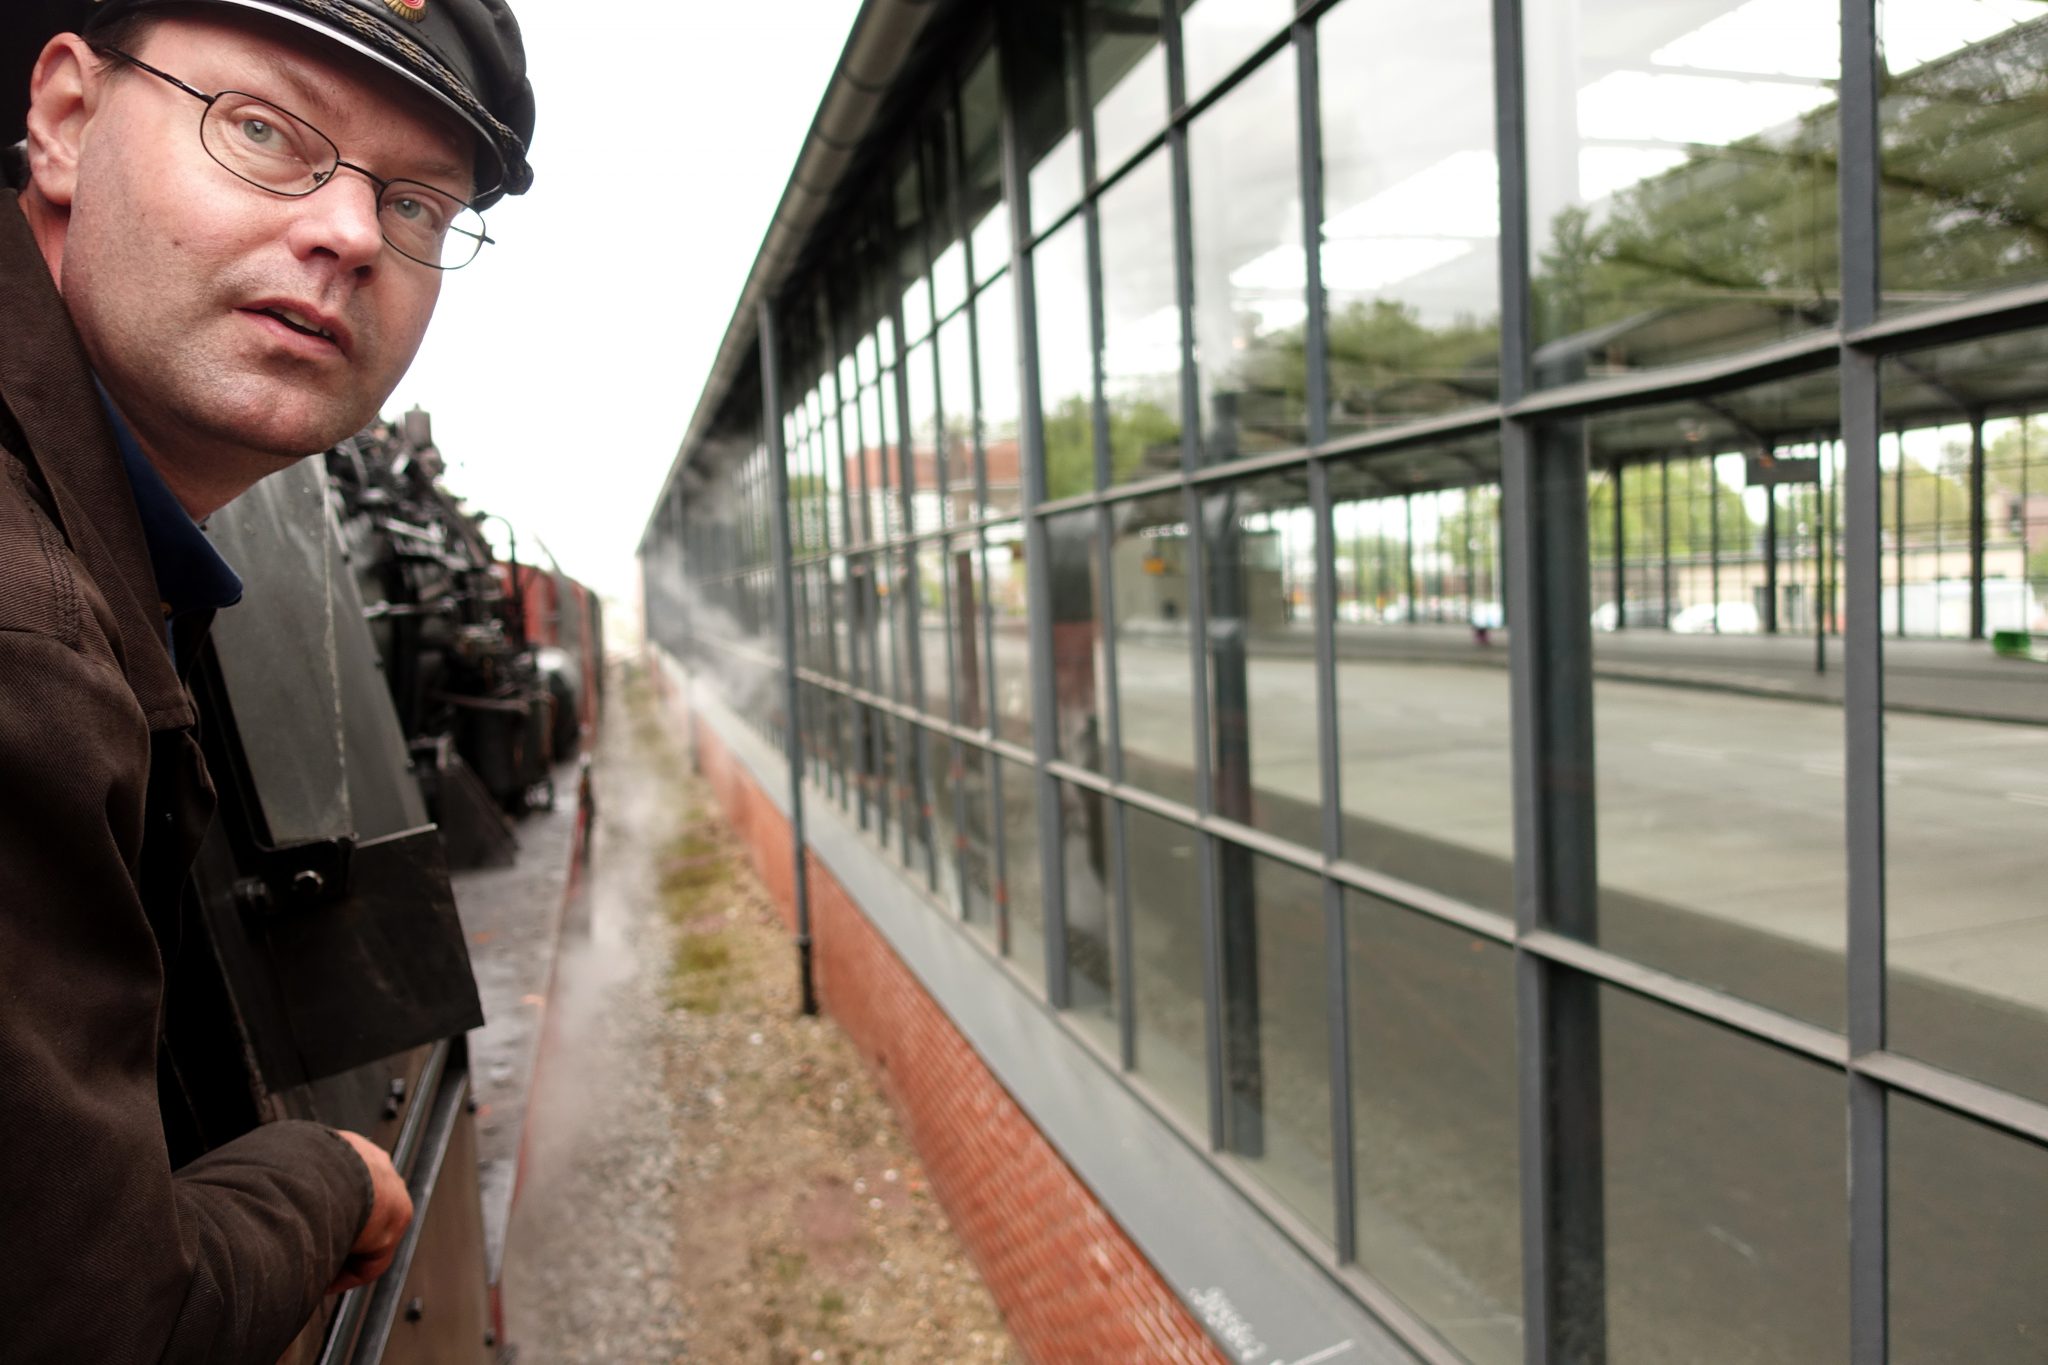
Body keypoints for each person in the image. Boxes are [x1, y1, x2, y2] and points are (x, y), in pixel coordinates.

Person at [0, 0, 533, 1359]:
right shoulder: (30, 635)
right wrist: (331, 1175)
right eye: (261, 130)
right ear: (63, 119)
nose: (351, 233)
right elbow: (102, 1323)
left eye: (415, 206)